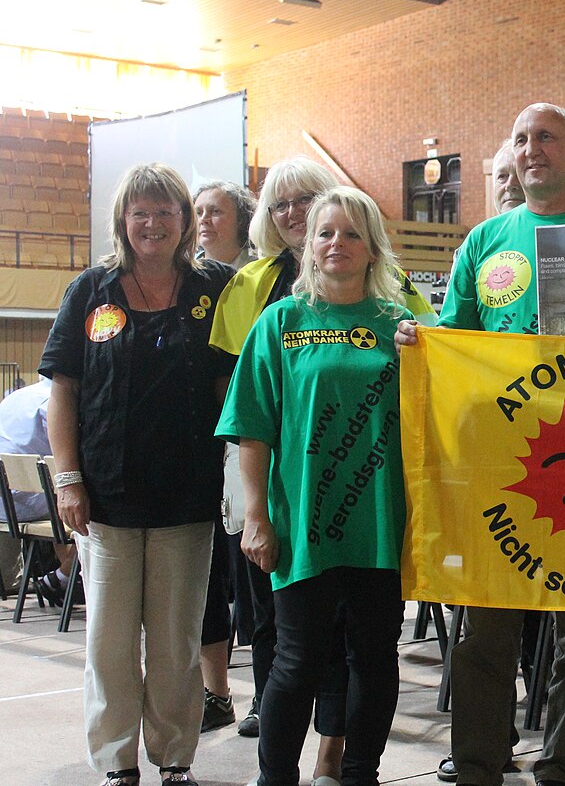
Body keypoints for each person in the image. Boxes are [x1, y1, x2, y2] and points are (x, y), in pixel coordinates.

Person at [399, 102, 565, 786]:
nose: (532, 149)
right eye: (521, 139)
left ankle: (563, 766)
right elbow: (453, 336)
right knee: (483, 625)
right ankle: (479, 766)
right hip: (498, 460)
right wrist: (417, 338)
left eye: (546, 137)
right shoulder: (487, 241)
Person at [41, 162, 236, 786]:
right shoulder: (90, 290)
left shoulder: (218, 289)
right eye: (141, 212)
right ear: (124, 220)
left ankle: (175, 758)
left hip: (187, 492)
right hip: (107, 497)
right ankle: (117, 762)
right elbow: (62, 391)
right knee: (110, 642)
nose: (153, 223)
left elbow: (234, 382)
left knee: (178, 641)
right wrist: (67, 478)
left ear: (184, 221)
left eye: (167, 211)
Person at [218, 185, 411, 786]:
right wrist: (256, 516)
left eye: (353, 233)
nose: (337, 244)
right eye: (326, 232)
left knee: (375, 658)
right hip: (302, 520)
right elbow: (251, 428)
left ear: (373, 248)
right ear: (307, 245)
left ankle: (360, 774)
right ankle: (276, 776)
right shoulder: (281, 322)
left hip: (380, 521)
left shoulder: (402, 327)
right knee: (296, 662)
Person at [208, 158, 348, 777]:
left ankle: (334, 748)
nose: (294, 214)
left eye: (306, 201)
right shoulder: (249, 287)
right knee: (268, 614)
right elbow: (228, 387)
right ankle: (273, 719)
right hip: (263, 475)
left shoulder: (378, 282)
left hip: (345, 479)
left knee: (343, 625)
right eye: (282, 204)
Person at [192, 179, 258, 733]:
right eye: (199, 212)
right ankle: (216, 693)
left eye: (217, 211)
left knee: (250, 574)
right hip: (201, 451)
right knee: (211, 575)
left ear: (243, 221)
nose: (205, 221)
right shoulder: (188, 280)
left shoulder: (262, 281)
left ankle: (267, 691)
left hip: (251, 450)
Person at [0, 376, 76, 598]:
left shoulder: (14, 397)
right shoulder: (54, 404)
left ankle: (65, 578)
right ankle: (63, 577)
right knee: (95, 510)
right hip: (26, 506)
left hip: (7, 504)